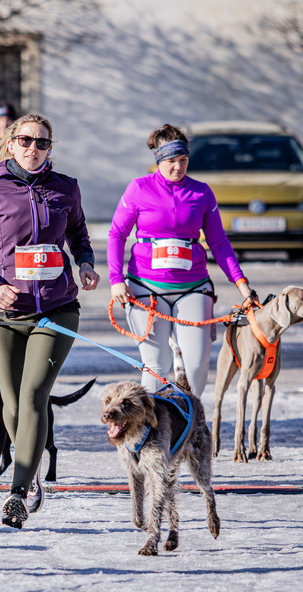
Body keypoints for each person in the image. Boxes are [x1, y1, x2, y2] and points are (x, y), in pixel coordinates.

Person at [0, 113, 100, 529]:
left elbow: (78, 235)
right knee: (13, 402)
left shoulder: (65, 187)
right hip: (3, 314)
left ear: (50, 148)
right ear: (10, 143)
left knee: (35, 394)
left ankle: (17, 493)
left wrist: (86, 263)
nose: (33, 148)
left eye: (42, 142)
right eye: (25, 140)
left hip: (56, 309)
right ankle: (31, 461)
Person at [108, 124, 255, 394]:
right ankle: (155, 429)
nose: (178, 167)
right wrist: (116, 280)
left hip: (193, 287)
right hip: (146, 288)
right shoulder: (139, 188)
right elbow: (117, 234)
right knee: (157, 364)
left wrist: (241, 283)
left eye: (183, 161)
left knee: (197, 364)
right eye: (171, 161)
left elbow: (219, 242)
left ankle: (189, 428)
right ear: (158, 161)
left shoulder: (202, 192)